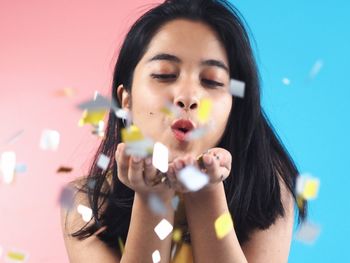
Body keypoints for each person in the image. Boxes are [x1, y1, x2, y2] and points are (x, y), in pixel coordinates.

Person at [61, 0, 306, 262]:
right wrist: (152, 197)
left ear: (235, 106)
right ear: (126, 100)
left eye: (212, 81)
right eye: (165, 75)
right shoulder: (86, 203)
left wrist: (206, 192)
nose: (188, 97)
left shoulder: (268, 190)